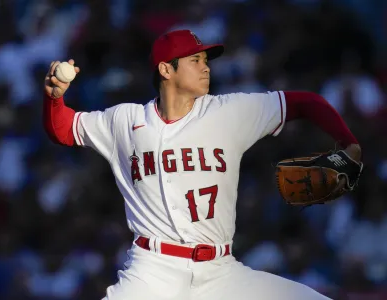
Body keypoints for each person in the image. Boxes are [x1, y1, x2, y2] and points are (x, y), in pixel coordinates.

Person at [43, 30, 361, 300]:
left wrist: (349, 143)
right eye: (195, 60)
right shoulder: (126, 120)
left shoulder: (227, 111)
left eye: (206, 61)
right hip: (153, 270)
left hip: (219, 271)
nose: (205, 67)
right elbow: (63, 129)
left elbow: (304, 103)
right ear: (166, 70)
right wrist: (55, 97)